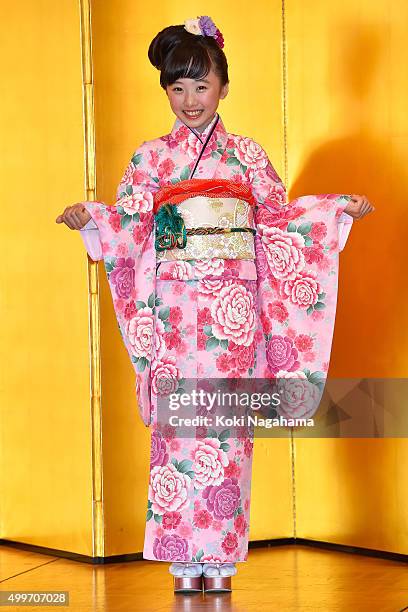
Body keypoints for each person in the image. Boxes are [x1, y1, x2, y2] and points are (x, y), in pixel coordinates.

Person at [56, 16, 374, 594]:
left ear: (224, 88)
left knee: (226, 433)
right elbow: (128, 227)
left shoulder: (247, 155)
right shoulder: (152, 159)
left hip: (233, 314)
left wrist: (333, 213)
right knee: (178, 435)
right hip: (174, 313)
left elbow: (279, 223)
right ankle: (184, 560)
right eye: (177, 87)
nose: (189, 100)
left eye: (201, 86)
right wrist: (92, 220)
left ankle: (222, 558)